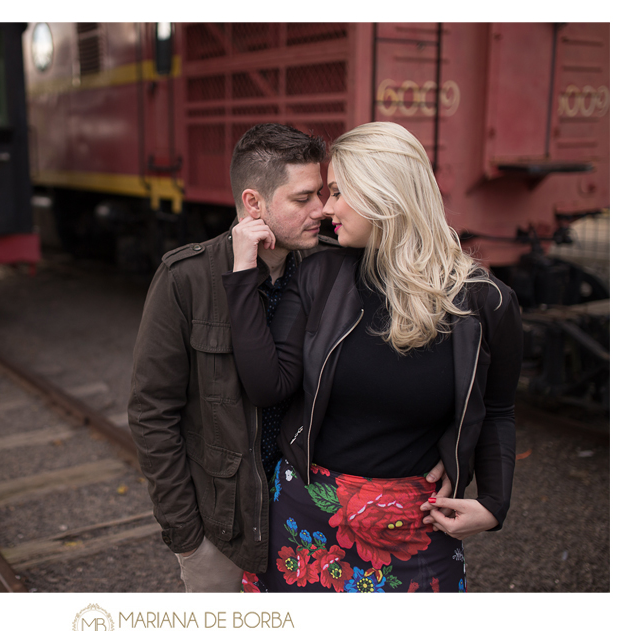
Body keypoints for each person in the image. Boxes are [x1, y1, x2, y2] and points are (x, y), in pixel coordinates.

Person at [129, 122, 452, 593]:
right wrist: (186, 533)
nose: (322, 209)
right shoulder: (187, 279)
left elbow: (402, 370)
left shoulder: (338, 265)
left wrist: (450, 441)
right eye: (303, 199)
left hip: (307, 512)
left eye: (322, 192)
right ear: (254, 204)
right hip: (222, 524)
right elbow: (151, 412)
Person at [223, 122, 523, 592]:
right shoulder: (320, 276)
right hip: (306, 520)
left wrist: (494, 503)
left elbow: (498, 411)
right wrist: (242, 275)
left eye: (340, 192)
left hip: (416, 527)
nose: (326, 208)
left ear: (386, 196)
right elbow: (267, 385)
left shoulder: (486, 303)